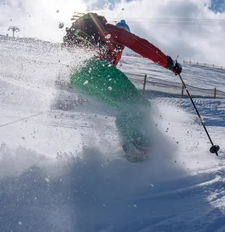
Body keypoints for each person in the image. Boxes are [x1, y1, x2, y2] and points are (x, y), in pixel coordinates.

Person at [63, 12, 182, 161]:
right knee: (138, 104)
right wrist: (168, 63)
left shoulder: (103, 42)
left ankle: (131, 146)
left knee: (125, 107)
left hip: (78, 77)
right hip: (96, 69)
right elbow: (141, 45)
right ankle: (137, 145)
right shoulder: (114, 32)